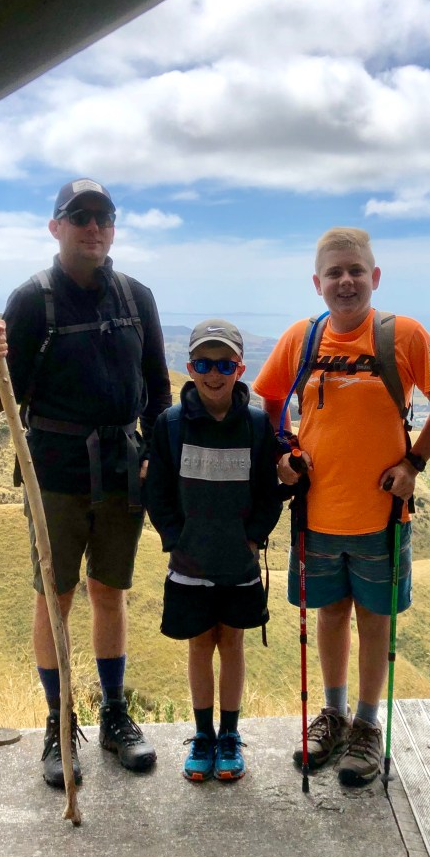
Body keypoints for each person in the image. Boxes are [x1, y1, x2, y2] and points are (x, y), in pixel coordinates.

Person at [0, 178, 171, 788]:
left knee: (110, 591)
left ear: (113, 227)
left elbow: (157, 390)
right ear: (55, 227)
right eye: (78, 216)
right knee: (55, 599)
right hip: (53, 472)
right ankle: (60, 728)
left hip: (119, 469)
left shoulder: (137, 297)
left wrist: (152, 457)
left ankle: (113, 716)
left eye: (103, 216)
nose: (93, 226)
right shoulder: (33, 301)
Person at [254, 228, 430, 787]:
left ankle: (367, 725)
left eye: (356, 271)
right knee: (330, 615)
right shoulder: (302, 337)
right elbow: (271, 400)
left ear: (375, 277)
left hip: (382, 514)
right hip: (316, 511)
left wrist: (413, 465)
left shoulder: (405, 336)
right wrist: (286, 450)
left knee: (374, 619)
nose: (346, 281)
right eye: (335, 273)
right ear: (317, 283)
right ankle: (334, 715)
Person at [144, 319, 282, 782]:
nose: (214, 373)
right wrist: (175, 538)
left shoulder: (257, 425)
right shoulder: (171, 425)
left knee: (233, 643)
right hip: (189, 563)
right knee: (200, 645)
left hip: (238, 564)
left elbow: (268, 491)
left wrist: (253, 537)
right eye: (204, 363)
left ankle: (228, 736)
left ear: (240, 368)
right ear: (189, 368)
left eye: (224, 364)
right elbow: (158, 491)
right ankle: (203, 736)